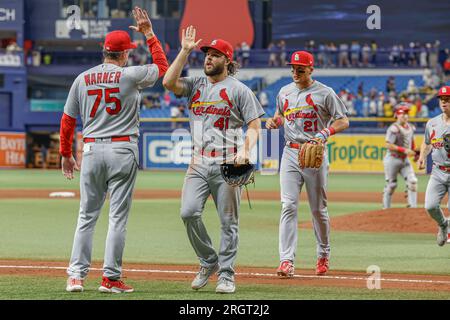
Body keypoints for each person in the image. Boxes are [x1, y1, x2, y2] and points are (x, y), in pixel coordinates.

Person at [60, 6, 168, 293]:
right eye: (128, 52)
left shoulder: (82, 78)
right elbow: (163, 69)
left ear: (103, 51)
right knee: (117, 217)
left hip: (92, 150)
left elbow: (68, 120)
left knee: (86, 215)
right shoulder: (131, 74)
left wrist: (65, 154)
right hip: (122, 149)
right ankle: (110, 278)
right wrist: (149, 34)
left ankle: (75, 276)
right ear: (123, 54)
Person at [162, 26, 264, 294]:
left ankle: (227, 274)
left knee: (228, 222)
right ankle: (209, 261)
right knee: (188, 212)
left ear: (227, 62)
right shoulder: (195, 84)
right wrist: (184, 51)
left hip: (228, 162)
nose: (208, 57)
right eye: (207, 53)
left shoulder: (239, 90)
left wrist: (245, 150)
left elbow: (255, 125)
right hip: (198, 161)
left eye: (215, 54)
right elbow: (168, 83)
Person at [265, 51, 349, 278]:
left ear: (311, 69)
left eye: (300, 69)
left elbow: (343, 120)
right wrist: (275, 121)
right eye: (292, 68)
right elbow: (281, 115)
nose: (295, 72)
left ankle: (323, 253)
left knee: (317, 209)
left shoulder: (325, 93)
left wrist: (324, 132)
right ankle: (286, 261)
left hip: (315, 154)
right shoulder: (284, 92)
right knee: (288, 205)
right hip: (290, 152)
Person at [418, 86, 450, 246]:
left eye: (448, 100)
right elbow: (426, 143)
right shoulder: (432, 123)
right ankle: (444, 225)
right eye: (442, 100)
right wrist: (422, 157)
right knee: (430, 206)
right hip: (438, 171)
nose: (444, 102)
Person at [382, 104, 418, 209]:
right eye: (402, 113)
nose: (405, 116)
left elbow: (412, 143)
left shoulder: (411, 127)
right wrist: (404, 150)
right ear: (396, 115)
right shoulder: (393, 128)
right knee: (392, 185)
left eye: (406, 113)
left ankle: (413, 208)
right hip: (392, 159)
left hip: (404, 159)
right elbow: (388, 144)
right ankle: (386, 208)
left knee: (413, 182)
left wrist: (415, 154)